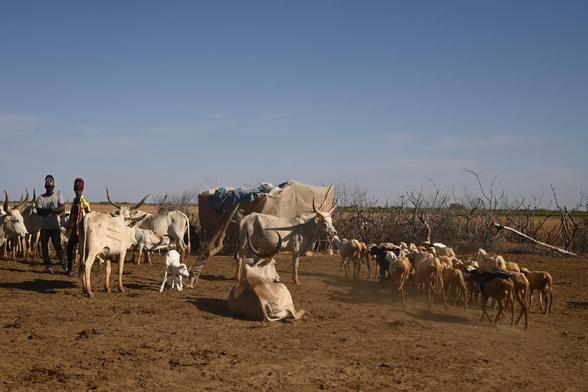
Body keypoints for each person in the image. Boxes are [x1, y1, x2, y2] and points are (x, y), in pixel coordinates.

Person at [35, 175, 66, 274]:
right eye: (48, 187)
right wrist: (52, 210)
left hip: (55, 227)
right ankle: (48, 266)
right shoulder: (40, 198)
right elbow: (39, 212)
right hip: (44, 227)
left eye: (51, 187)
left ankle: (64, 264)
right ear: (45, 187)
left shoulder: (58, 195)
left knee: (57, 246)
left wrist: (51, 210)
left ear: (53, 187)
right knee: (44, 247)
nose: (49, 189)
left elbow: (62, 208)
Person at [66, 178, 91, 276]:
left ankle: (84, 270)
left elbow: (89, 213)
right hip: (74, 230)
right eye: (76, 190)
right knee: (69, 248)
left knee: (83, 251)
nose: (77, 192)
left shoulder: (84, 201)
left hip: (82, 230)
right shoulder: (74, 200)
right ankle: (70, 269)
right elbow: (72, 214)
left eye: (79, 190)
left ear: (82, 190)